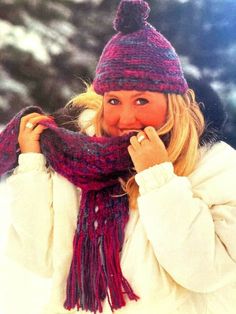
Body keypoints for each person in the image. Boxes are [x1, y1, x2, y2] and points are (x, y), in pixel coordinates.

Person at [2, 0, 236, 313]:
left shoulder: (215, 168)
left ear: (173, 103)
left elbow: (206, 273)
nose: (125, 118)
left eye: (142, 100)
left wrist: (159, 181)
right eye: (113, 100)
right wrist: (31, 166)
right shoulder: (80, 164)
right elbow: (38, 258)